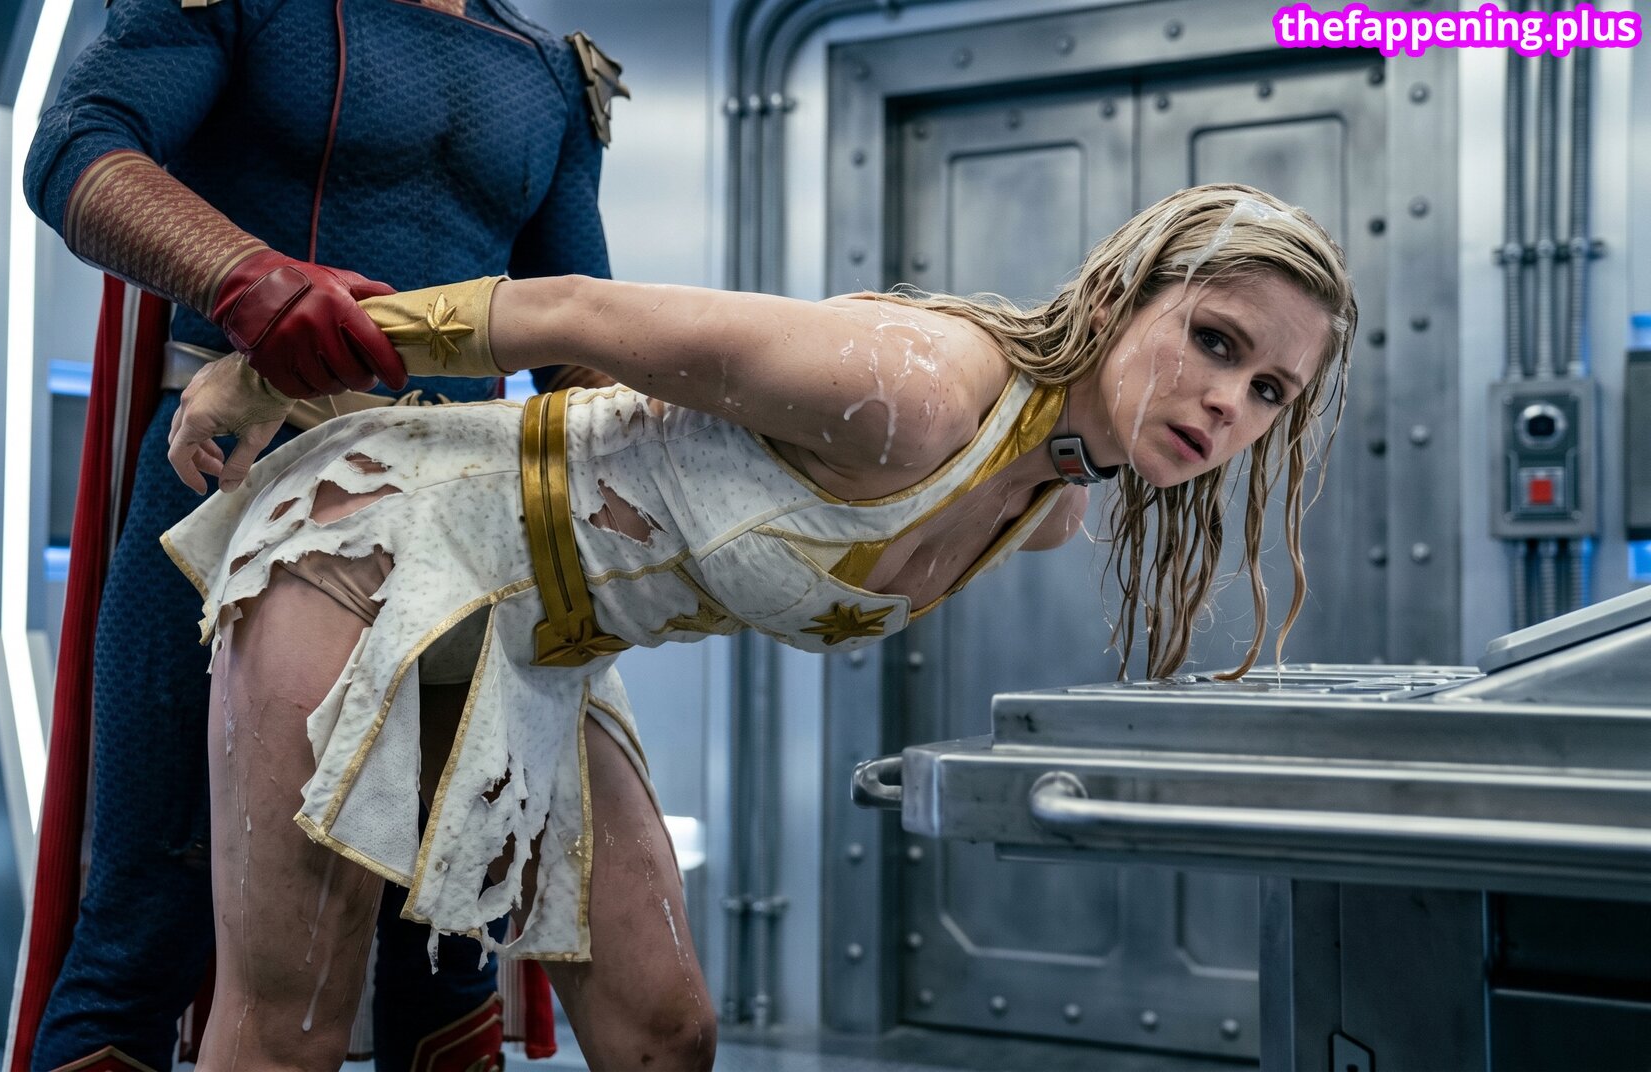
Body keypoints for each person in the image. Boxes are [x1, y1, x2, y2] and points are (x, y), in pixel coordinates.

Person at [161, 182, 1356, 1071]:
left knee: (666, 1034)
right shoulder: (922, 386)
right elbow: (570, 309)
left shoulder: (1044, 510)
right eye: (1214, 340)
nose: (1228, 402)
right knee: (290, 1028)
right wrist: (267, 370)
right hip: (379, 538)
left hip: (548, 638)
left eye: (1270, 391)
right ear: (1116, 296)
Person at [10, 1, 627, 1069]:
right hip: (235, 483)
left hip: (459, 522)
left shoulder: (548, 70)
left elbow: (578, 335)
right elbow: (76, 145)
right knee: (150, 906)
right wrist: (245, 279)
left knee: (450, 923)